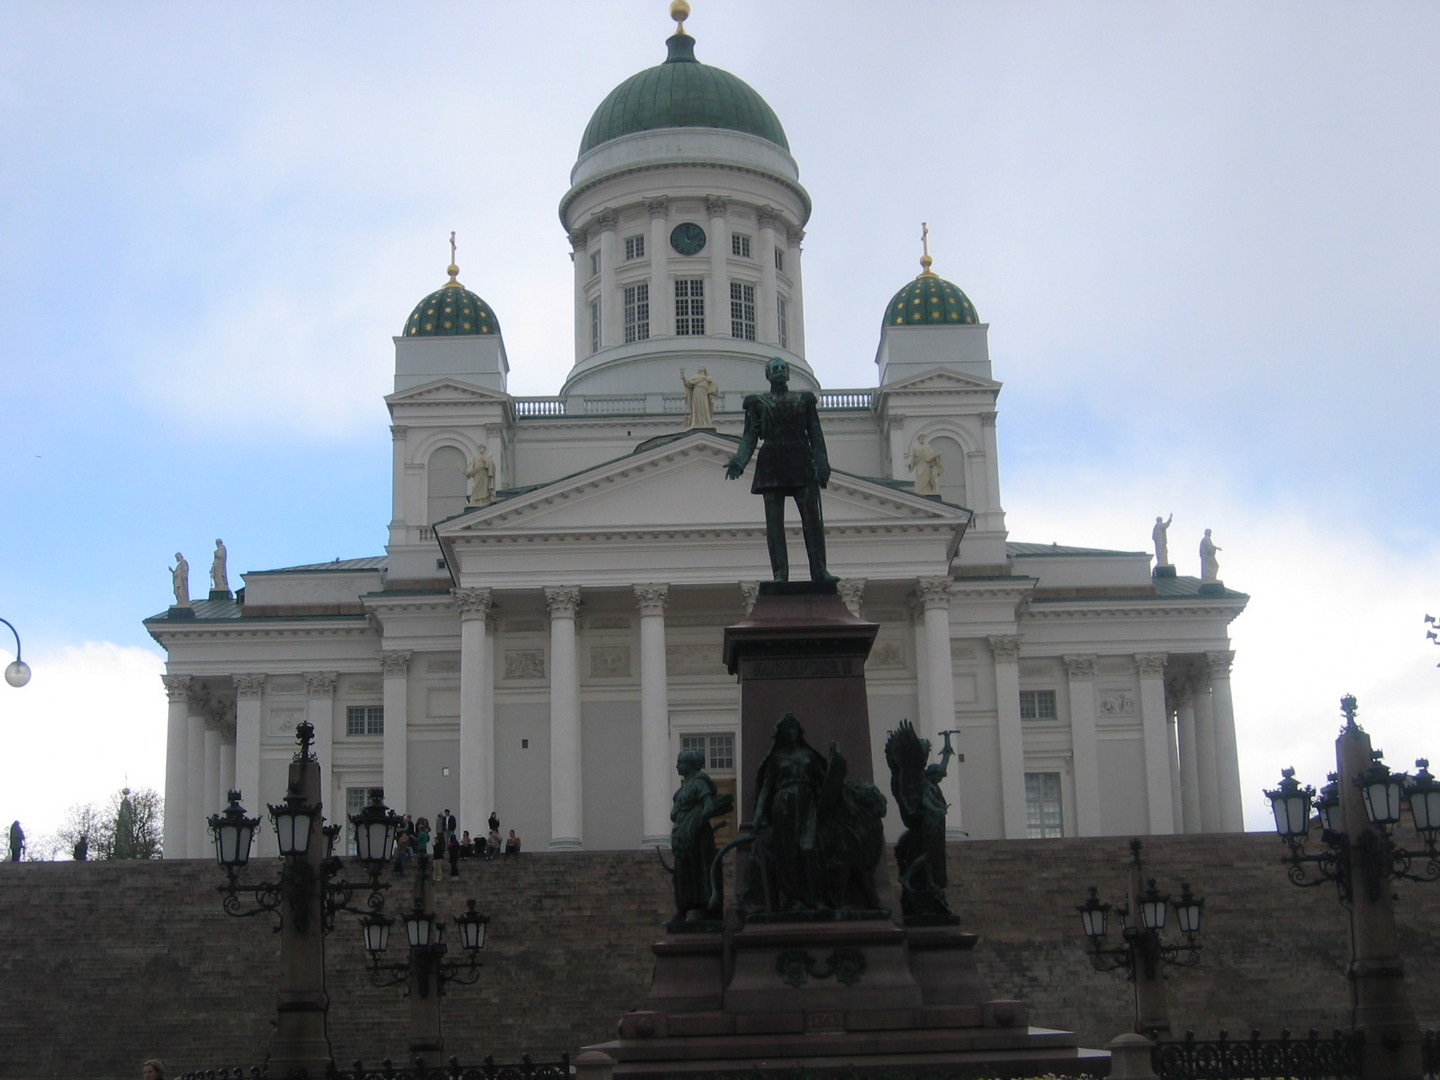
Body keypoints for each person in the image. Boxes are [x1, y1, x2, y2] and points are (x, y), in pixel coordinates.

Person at [724, 356, 836, 583]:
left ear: (787, 374)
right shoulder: (757, 403)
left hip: (800, 459)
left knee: (812, 520)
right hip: (772, 462)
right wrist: (739, 462)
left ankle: (819, 571)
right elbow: (749, 437)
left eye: (782, 368)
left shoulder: (803, 400)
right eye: (774, 368)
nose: (778, 370)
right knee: (775, 525)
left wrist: (822, 463)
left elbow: (815, 435)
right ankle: (780, 574)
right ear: (768, 375)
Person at [750, 712, 830, 911]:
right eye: (787, 729)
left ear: (799, 731)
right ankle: (792, 899)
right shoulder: (776, 758)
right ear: (781, 734)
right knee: (787, 852)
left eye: (794, 728)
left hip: (807, 802)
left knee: (809, 848)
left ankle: (815, 898)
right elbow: (767, 787)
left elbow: (826, 780)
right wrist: (758, 814)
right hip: (783, 803)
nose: (791, 732)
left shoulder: (809, 755)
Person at [669, 749, 734, 922]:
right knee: (682, 872)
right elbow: (674, 813)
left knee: (698, 869)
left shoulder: (699, 783)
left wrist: (696, 820)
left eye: (680, 762)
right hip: (683, 835)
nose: (677, 766)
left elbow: (709, 806)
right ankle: (683, 907)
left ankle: (701, 907)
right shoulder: (684, 787)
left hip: (697, 836)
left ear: (689, 765)